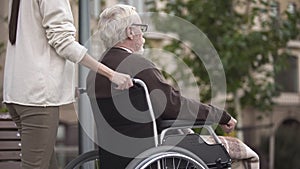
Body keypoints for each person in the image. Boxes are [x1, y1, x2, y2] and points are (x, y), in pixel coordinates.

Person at [86, 4, 259, 169]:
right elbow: (173, 106)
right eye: (140, 27)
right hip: (153, 153)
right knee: (242, 155)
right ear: (130, 32)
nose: (143, 34)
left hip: (115, 157)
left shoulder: (95, 73)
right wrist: (220, 115)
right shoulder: (137, 65)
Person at [3, 0, 133, 169]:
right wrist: (111, 74)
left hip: (20, 93)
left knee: (48, 165)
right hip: (38, 99)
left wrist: (64, 87)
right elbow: (64, 42)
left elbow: (32, 42)